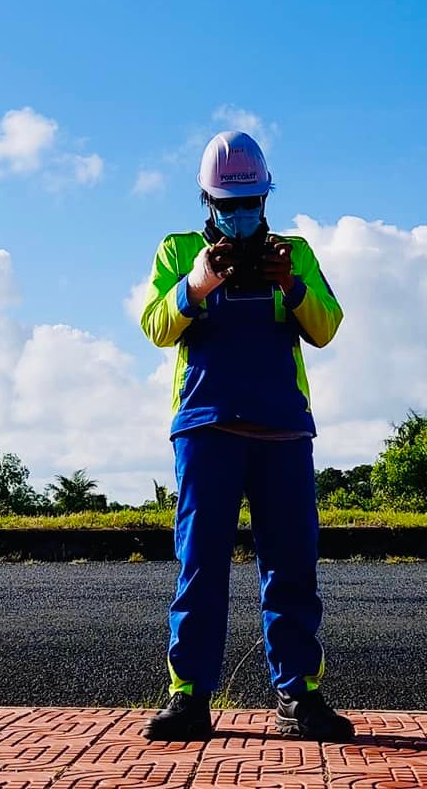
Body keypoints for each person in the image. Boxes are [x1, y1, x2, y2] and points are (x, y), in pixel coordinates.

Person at [137, 130, 355, 742]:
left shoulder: (297, 252)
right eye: (227, 205)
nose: (240, 215)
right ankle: (189, 698)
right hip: (206, 427)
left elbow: (326, 327)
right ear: (207, 202)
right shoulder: (177, 250)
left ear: (266, 197)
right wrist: (197, 286)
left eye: (250, 202)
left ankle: (299, 696)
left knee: (291, 566)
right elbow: (156, 326)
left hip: (283, 429)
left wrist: (290, 284)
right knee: (199, 565)